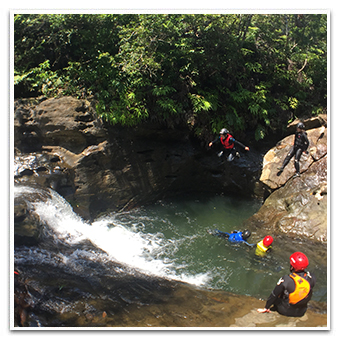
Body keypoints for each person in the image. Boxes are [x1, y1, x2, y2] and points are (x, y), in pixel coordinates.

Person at [257, 251, 316, 317]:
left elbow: (274, 294)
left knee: (281, 291)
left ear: (292, 266)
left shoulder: (286, 279)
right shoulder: (312, 276)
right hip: (301, 312)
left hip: (285, 311)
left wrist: (266, 307)